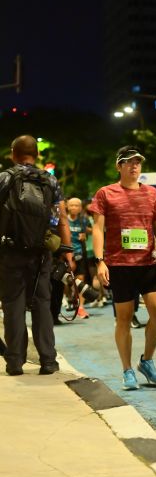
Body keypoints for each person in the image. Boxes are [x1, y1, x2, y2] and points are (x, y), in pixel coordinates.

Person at [91, 146, 156, 390]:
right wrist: (100, 260)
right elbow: (97, 229)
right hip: (120, 264)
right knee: (124, 318)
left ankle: (147, 360)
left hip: (148, 263)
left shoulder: (152, 194)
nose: (134, 166)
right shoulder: (105, 193)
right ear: (119, 166)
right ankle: (127, 370)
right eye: (128, 162)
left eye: (137, 162)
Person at [0, 135, 72, 375]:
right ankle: (48, 361)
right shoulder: (50, 180)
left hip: (10, 253)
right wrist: (67, 252)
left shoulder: (5, 178)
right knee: (42, 304)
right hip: (41, 254)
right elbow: (61, 218)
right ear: (37, 154)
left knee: (13, 306)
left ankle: (15, 362)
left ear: (13, 154)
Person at [66, 197, 90, 318]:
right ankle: (68, 298)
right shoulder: (63, 220)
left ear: (80, 208)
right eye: (72, 205)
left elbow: (89, 231)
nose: (74, 207)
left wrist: (85, 236)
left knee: (81, 280)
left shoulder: (83, 220)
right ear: (67, 207)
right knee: (67, 280)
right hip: (66, 255)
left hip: (80, 254)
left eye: (76, 205)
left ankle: (81, 307)